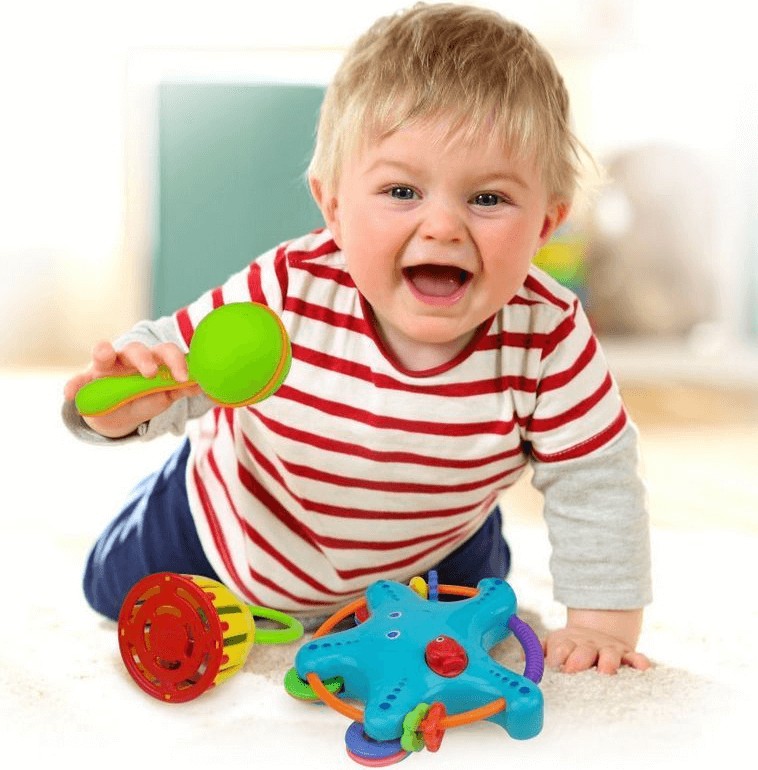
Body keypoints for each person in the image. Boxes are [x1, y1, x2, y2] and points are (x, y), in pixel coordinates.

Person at [63, 2, 652, 675]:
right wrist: (118, 402)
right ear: (334, 206)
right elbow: (174, 363)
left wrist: (602, 626)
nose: (443, 227)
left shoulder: (548, 334)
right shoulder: (289, 287)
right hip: (231, 532)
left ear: (545, 224)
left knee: (470, 632)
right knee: (112, 592)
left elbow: (595, 479)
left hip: (428, 554)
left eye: (487, 199)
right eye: (402, 191)